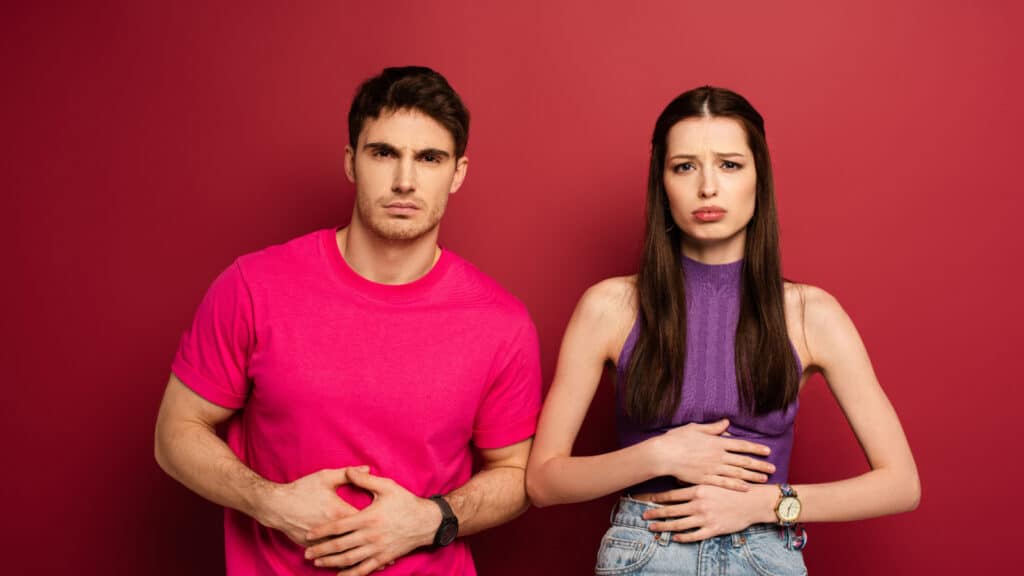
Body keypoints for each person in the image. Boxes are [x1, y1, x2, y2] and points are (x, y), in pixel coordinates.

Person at [154, 66, 541, 576]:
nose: (405, 180)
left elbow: (516, 474)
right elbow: (175, 433)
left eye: (429, 158)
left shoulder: (501, 323)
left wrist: (430, 519)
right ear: (351, 162)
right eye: (384, 153)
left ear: (458, 172)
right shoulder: (254, 285)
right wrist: (271, 502)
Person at [525, 86, 920, 574]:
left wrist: (766, 505)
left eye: (729, 165)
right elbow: (543, 482)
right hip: (647, 550)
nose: (707, 187)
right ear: (662, 183)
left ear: (759, 178)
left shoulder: (809, 313)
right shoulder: (610, 306)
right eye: (685, 166)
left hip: (764, 553)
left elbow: (901, 484)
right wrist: (659, 454)